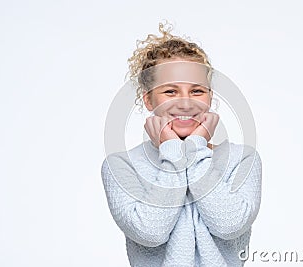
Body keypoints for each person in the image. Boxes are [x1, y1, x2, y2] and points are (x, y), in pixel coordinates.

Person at [101, 22, 262, 267]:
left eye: (197, 91)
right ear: (148, 99)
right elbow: (150, 232)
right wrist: (173, 152)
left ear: (210, 97)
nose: (186, 104)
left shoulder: (242, 159)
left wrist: (196, 147)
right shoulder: (121, 165)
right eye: (170, 92)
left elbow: (229, 225)